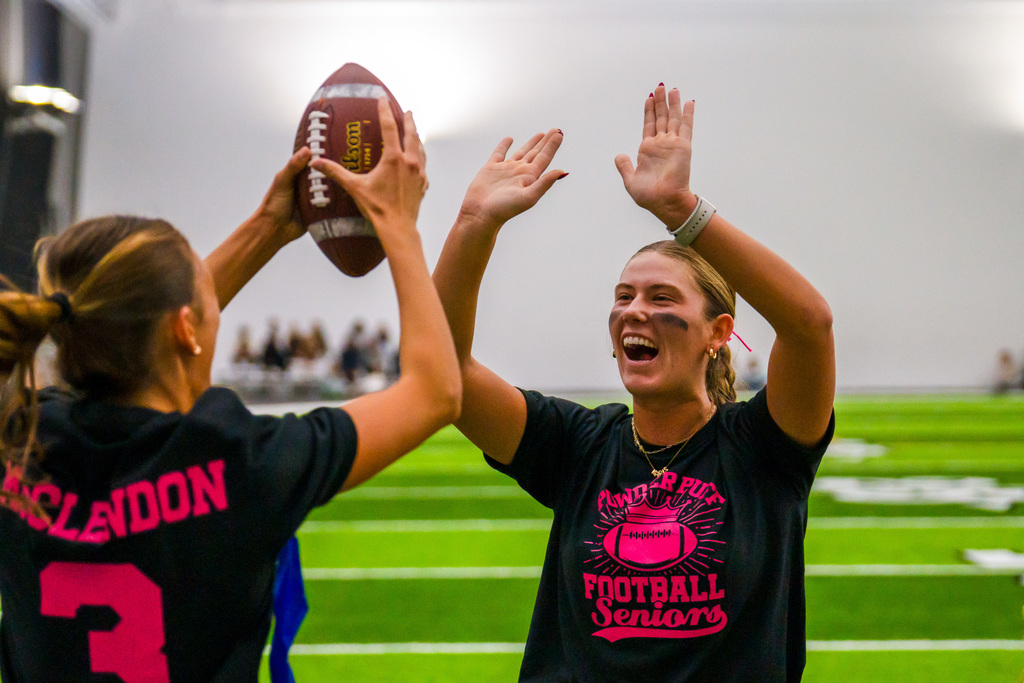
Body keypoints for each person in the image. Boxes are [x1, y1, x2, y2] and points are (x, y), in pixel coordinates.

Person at [0, 96, 460, 682]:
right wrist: (398, 225)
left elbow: (132, 323)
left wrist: (269, 227)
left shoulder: (22, 441)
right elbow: (435, 390)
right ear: (185, 327)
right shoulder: (235, 460)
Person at [433, 86, 835, 681]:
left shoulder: (761, 450)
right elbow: (443, 372)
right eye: (623, 297)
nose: (633, 311)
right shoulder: (578, 445)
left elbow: (809, 325)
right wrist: (473, 223)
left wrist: (681, 210)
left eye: (661, 297)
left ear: (717, 333)